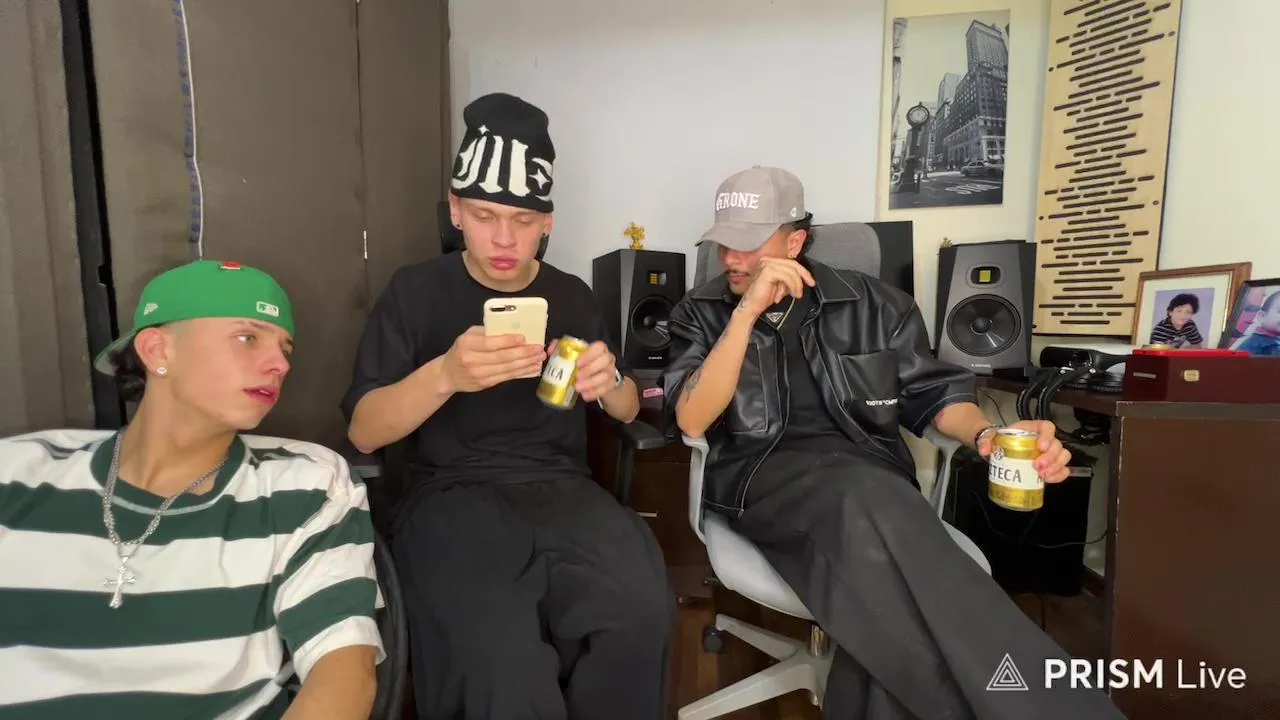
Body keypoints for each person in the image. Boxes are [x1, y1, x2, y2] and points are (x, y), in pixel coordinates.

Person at [664, 166, 1124, 719]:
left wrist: (988, 435)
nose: (731, 260)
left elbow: (936, 396)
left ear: (795, 242)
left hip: (871, 481)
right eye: (723, 245)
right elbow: (692, 418)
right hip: (762, 478)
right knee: (876, 512)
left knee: (877, 597)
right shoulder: (700, 312)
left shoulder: (878, 306)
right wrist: (746, 314)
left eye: (748, 244)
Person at [342, 92, 672, 720]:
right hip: (450, 495)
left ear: (547, 223)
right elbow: (363, 432)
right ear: (456, 210)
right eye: (485, 215)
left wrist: (610, 382)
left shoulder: (572, 295)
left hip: (564, 490)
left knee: (636, 611)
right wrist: (444, 375)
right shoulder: (414, 291)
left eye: (522, 220)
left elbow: (629, 411)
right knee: (497, 654)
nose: (503, 238)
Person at [0, 260, 383, 719]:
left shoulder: (304, 484)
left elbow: (343, 674)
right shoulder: (18, 473)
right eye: (248, 338)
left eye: (285, 348)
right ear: (157, 349)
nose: (280, 364)